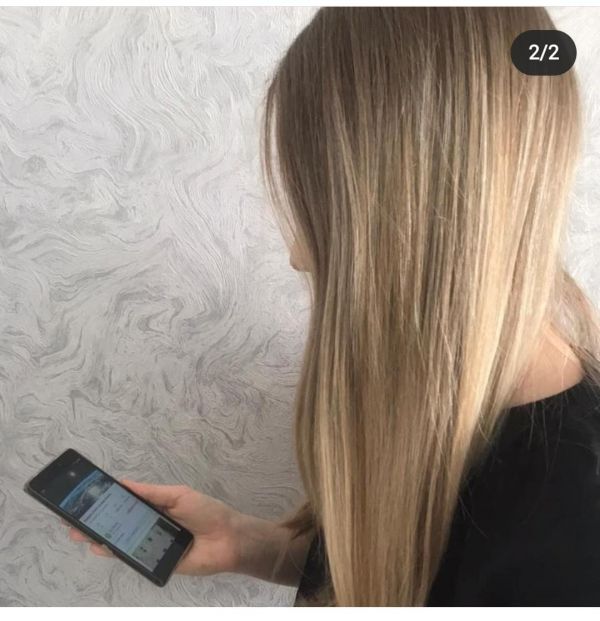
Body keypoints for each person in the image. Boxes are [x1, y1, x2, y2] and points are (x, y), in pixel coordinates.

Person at [66, 7, 600, 606]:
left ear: (404, 211)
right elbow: (420, 573)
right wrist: (248, 544)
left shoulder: (572, 547)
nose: (299, 256)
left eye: (318, 208)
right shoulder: (445, 408)